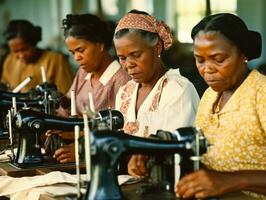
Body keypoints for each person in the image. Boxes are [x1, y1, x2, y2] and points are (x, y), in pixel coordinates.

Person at [175, 13, 266, 199]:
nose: (207, 69)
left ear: (243, 54)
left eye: (219, 59)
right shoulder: (210, 95)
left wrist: (230, 181)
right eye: (200, 60)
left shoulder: (261, 94)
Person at [113, 10, 199, 176]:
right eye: (122, 58)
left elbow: (175, 151)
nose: (128, 64)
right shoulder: (125, 92)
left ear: (157, 47)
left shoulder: (178, 90)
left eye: (136, 55)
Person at [50, 13, 131, 163]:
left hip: (101, 158)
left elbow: (122, 131)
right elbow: (67, 107)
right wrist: (54, 125)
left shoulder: (121, 81)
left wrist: (81, 143)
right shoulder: (83, 73)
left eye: (81, 50)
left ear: (100, 44)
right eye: (73, 53)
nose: (76, 58)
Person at [1, 20, 73, 94]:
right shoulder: (9, 60)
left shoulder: (55, 60)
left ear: (33, 43)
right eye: (15, 51)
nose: (21, 55)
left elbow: (67, 95)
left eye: (25, 49)